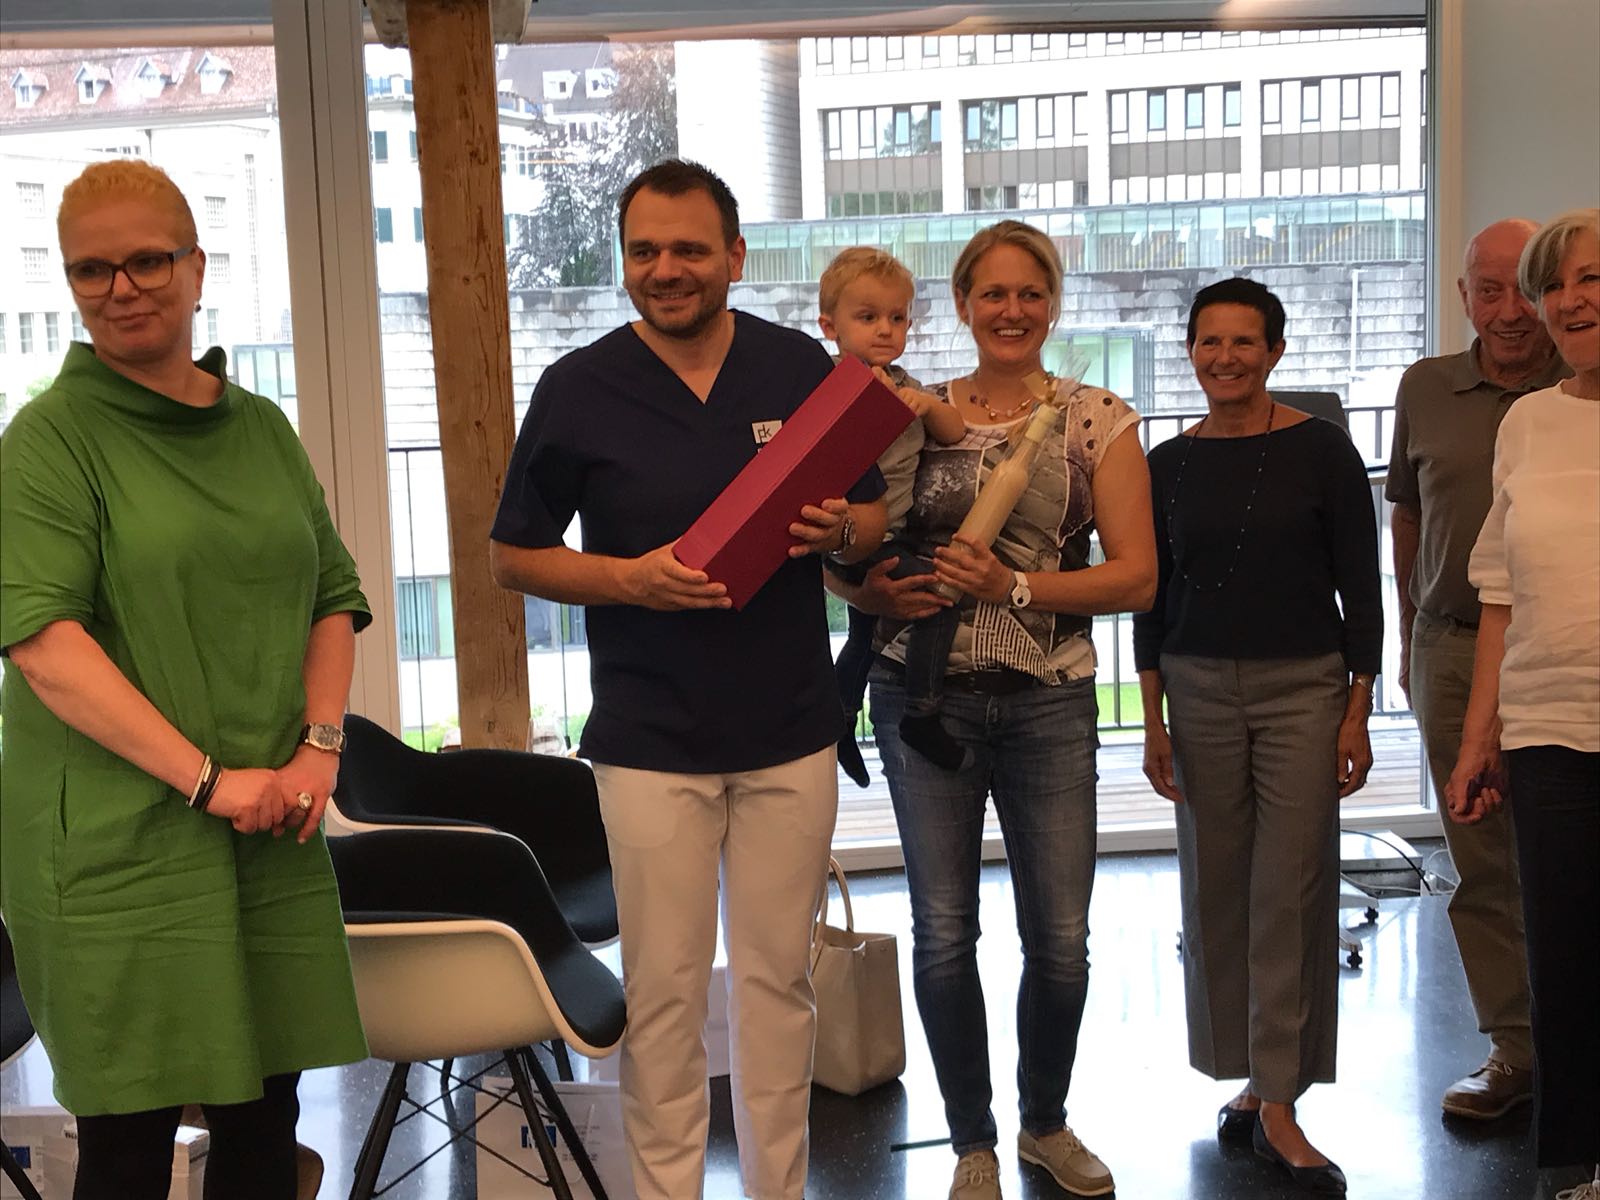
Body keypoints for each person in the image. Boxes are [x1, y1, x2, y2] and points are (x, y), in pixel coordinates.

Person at [488, 160, 888, 1200]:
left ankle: (777, 1190)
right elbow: (514, 556)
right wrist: (630, 579)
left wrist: (842, 529)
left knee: (779, 985)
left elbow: (871, 511)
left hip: (790, 730)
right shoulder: (579, 387)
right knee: (664, 995)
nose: (665, 269)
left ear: (735, 257)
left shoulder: (797, 366)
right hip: (649, 741)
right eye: (645, 251)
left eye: (689, 249)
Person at [0, 160, 369, 1200]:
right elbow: (44, 646)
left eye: (148, 261)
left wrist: (319, 748)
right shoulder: (48, 442)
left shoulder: (259, 428)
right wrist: (210, 782)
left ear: (197, 267)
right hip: (117, 848)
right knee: (129, 1141)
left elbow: (330, 595)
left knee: (265, 1127)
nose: (122, 288)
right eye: (92, 269)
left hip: (270, 822)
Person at [831, 219, 1156, 1200]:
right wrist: (867, 591)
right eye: (993, 294)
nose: (1012, 311)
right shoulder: (907, 409)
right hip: (918, 695)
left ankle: (1044, 1124)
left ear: (1051, 304)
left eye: (1030, 293)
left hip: (1048, 703)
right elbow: (845, 548)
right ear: (963, 304)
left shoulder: (1097, 419)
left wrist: (1014, 586)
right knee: (943, 930)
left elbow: (1136, 578)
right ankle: (971, 1140)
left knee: (1060, 940)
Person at [1135, 278, 1381, 1196]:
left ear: (1275, 351)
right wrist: (1151, 718)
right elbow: (1151, 600)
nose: (1225, 358)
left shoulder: (1323, 451)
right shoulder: (1166, 463)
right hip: (1195, 689)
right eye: (1210, 342)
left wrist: (1357, 707)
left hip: (1304, 691)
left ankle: (1280, 1101)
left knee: (1291, 888)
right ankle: (1245, 1072)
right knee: (1217, 888)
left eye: (1244, 342)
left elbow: (1362, 586)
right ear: (1190, 351)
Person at [1387, 218, 1568, 1121]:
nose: (1508, 311)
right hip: (1452, 649)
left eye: (1522, 290)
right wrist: (1409, 633)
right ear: (1463, 297)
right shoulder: (1425, 387)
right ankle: (1516, 1050)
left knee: (1568, 855)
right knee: (1482, 860)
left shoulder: (1580, 385)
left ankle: (1579, 1049)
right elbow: (1408, 515)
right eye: (1486, 290)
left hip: (1561, 655)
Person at [1445, 207, 1600, 1199]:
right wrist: (1478, 740)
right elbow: (1498, 592)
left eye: (1591, 278)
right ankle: (1581, 1164)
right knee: (1566, 964)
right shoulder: (1528, 421)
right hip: (1549, 731)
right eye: (1556, 284)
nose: (1569, 300)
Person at [817, 246, 967, 786]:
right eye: (868, 317)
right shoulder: (824, 385)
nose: (885, 329)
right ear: (830, 326)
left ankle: (839, 722)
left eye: (897, 318)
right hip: (854, 532)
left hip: (895, 532)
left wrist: (929, 407)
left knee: (864, 637)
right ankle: (922, 711)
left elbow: (955, 431)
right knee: (938, 597)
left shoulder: (908, 386)